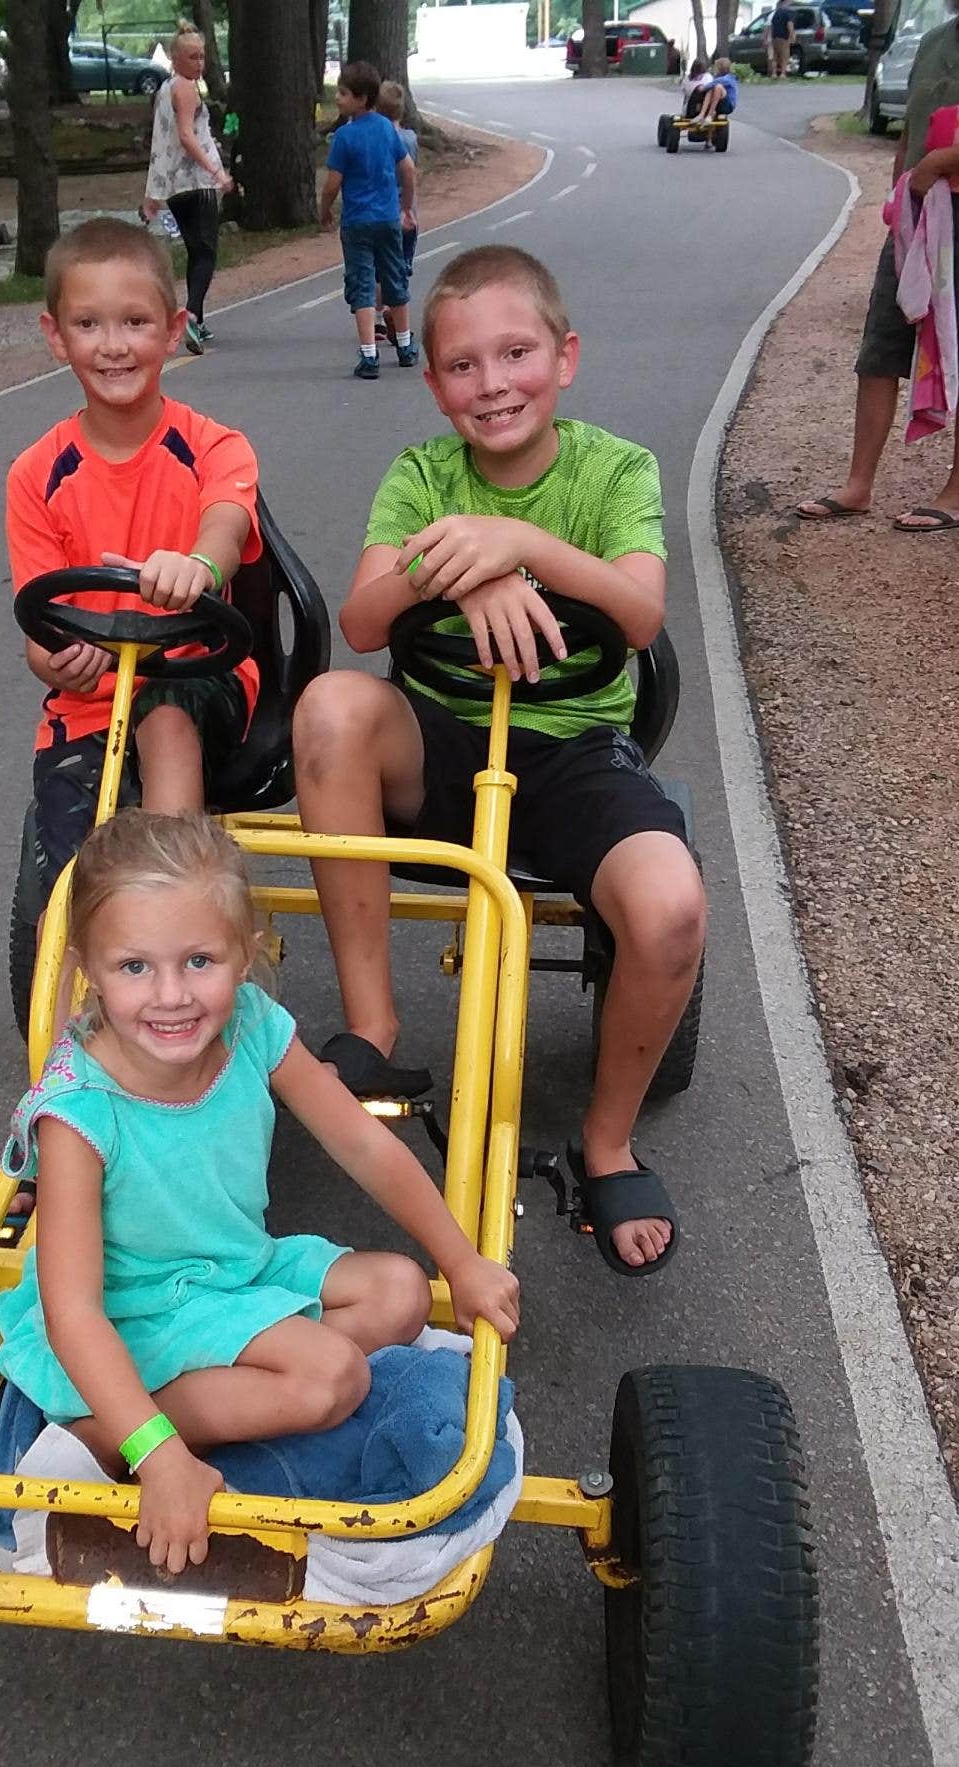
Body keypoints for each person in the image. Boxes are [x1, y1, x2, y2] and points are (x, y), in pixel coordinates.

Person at [290, 246, 706, 1278]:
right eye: (465, 366)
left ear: (563, 358)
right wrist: (460, 569)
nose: (493, 383)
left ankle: (606, 1143)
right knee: (333, 706)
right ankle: (375, 1026)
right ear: (433, 385)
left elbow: (641, 609)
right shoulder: (423, 475)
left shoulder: (616, 469)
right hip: (436, 743)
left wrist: (514, 542)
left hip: (573, 753)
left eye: (515, 354)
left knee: (670, 908)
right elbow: (360, 616)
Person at [0, 809, 521, 1574]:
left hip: (233, 1267)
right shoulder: (79, 1113)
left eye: (198, 960)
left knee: (403, 1291)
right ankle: (111, 1436)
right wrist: (161, 1457)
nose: (172, 996)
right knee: (333, 1376)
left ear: (245, 955)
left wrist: (460, 1260)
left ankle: (219, 1399)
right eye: (134, 967)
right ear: (88, 970)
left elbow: (362, 1141)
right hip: (135, 1308)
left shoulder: (251, 1024)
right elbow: (74, 1312)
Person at [8, 217, 260, 885]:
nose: (113, 346)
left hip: (198, 675)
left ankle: (170, 898)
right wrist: (61, 660)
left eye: (135, 323)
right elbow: (38, 629)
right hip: (89, 706)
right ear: (56, 337)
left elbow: (227, 529)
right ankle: (68, 979)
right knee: (68, 883)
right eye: (88, 325)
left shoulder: (215, 446)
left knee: (166, 713)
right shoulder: (37, 474)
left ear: (173, 329)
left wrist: (196, 568)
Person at [795, 0, 959, 532]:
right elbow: (911, 134)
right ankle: (858, 485)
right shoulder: (935, 41)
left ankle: (956, 494)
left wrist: (941, 164)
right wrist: (898, 201)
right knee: (880, 350)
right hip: (916, 226)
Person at [318, 60, 418, 379]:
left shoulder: (345, 138)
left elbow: (333, 183)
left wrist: (324, 208)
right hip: (388, 218)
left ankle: (369, 355)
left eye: (344, 94)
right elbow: (408, 170)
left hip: (357, 222)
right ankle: (404, 345)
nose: (338, 98)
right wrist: (405, 205)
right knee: (395, 278)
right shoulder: (387, 129)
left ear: (361, 99)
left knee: (362, 284)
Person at [143, 26, 233, 355]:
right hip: (196, 182)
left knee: (196, 250)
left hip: (175, 186)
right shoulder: (185, 89)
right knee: (207, 251)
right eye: (192, 57)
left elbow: (160, 143)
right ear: (175, 58)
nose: (199, 63)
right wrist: (215, 171)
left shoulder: (165, 89)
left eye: (202, 56)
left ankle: (200, 319)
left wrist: (153, 192)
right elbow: (185, 135)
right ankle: (192, 315)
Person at [376, 79, 419, 348]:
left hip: (381, 210)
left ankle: (379, 317)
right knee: (400, 266)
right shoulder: (410, 139)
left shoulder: (378, 139)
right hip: (407, 212)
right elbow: (411, 172)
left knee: (378, 269)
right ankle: (398, 310)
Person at [694, 56, 739, 123]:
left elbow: (714, 83)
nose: (714, 69)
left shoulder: (728, 78)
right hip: (719, 104)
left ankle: (710, 115)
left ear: (720, 68)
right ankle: (701, 115)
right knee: (711, 89)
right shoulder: (717, 78)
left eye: (716, 67)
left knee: (718, 87)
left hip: (728, 106)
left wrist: (702, 87)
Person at [765, 2, 797, 77]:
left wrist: (769, 37)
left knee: (774, 56)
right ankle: (783, 74)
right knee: (784, 56)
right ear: (784, 4)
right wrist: (792, 35)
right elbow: (790, 25)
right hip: (783, 37)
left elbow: (771, 27)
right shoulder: (786, 14)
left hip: (774, 37)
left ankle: (774, 73)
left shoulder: (775, 15)